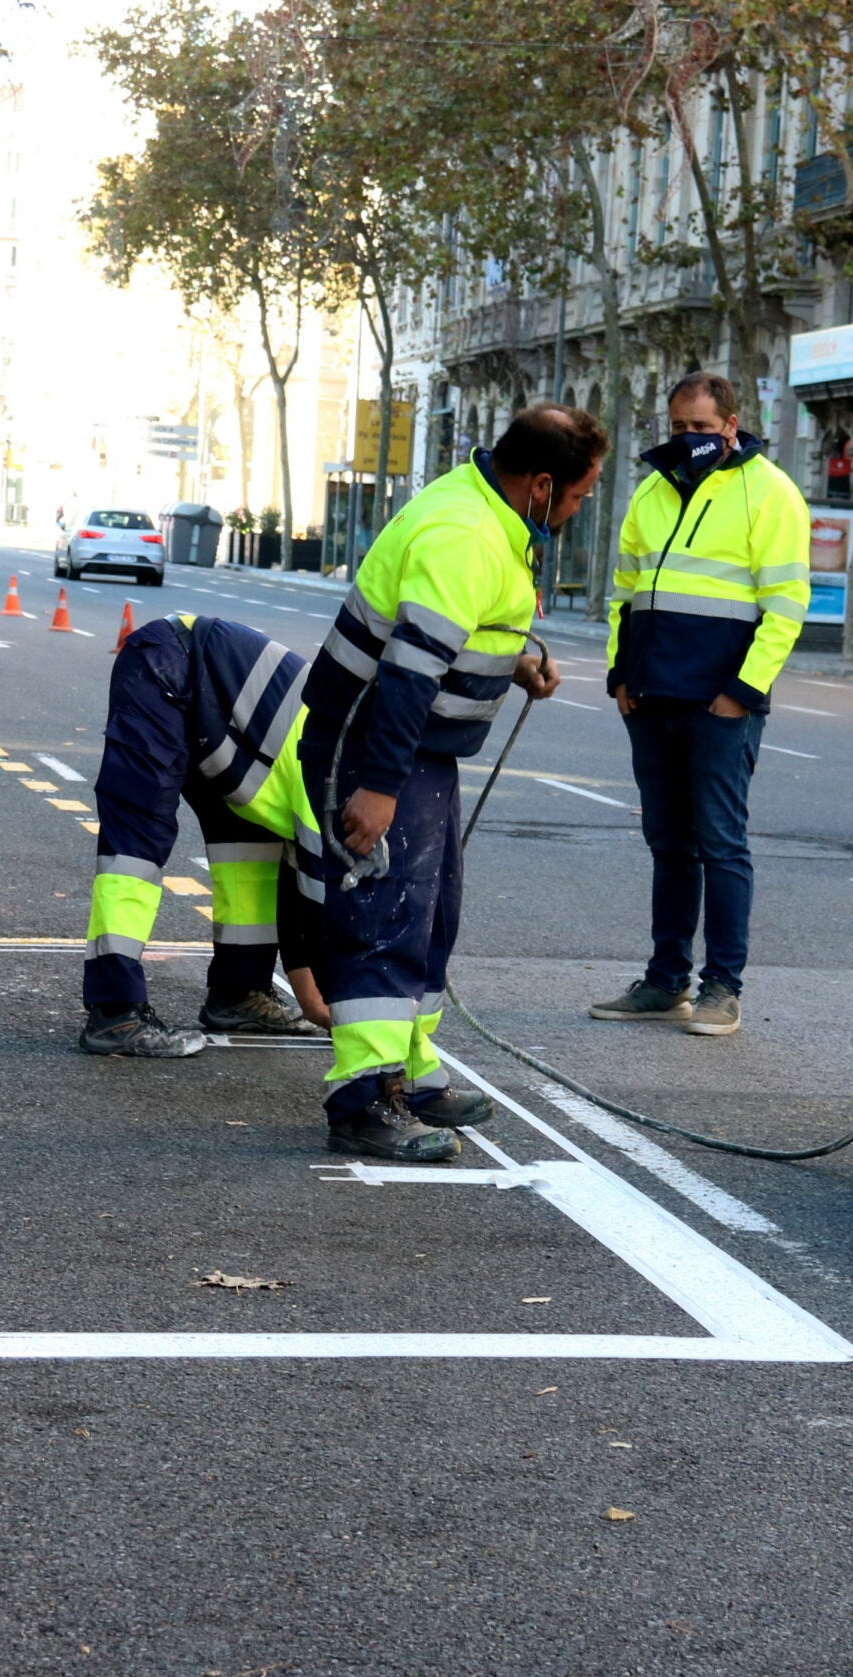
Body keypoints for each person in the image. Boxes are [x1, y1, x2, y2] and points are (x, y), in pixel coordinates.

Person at [293, 405, 592, 1161]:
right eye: (580, 494)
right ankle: (363, 1097)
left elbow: (452, 635)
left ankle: (411, 1073)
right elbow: (409, 671)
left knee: (429, 912)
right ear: (542, 483)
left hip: (418, 747)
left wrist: (514, 663)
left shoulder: (491, 514)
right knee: (382, 912)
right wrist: (380, 788)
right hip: (376, 743)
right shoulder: (464, 532)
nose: (580, 508)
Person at [589, 372, 810, 1038]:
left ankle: (722, 988)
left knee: (721, 843)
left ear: (732, 425)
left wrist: (740, 694)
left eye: (703, 428)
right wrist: (618, 676)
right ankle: (665, 982)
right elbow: (623, 595)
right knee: (668, 844)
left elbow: (786, 607)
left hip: (721, 704)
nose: (689, 438)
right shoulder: (652, 490)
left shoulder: (771, 493)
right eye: (679, 426)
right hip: (651, 697)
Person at [80, 613, 328, 1057]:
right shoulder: (333, 786)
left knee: (250, 851)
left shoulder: (344, 785)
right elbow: (311, 906)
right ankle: (114, 1012)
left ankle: (238, 992)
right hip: (166, 666)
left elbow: (297, 888)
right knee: (138, 841)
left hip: (223, 721)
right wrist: (319, 1002)